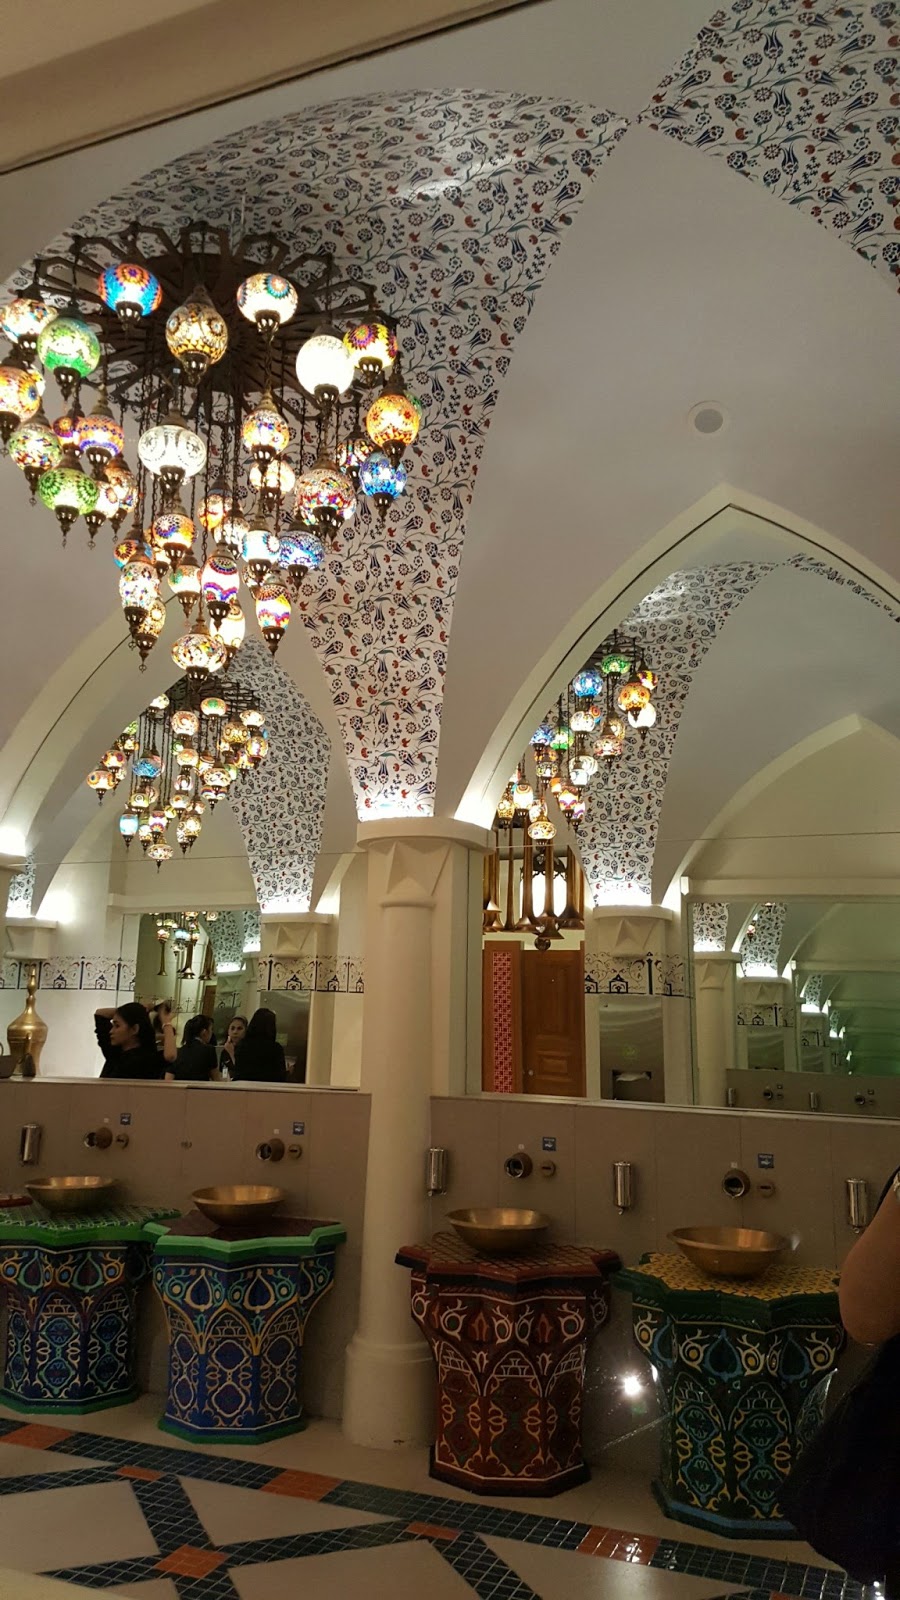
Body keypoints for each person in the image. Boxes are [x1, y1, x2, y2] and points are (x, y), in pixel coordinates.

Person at [95, 1001, 174, 1080]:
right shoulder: (114, 1051)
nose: (111, 1031)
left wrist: (166, 1022)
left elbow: (170, 1056)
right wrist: (139, 1009)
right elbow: (100, 1013)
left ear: (134, 1029)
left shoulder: (146, 1060)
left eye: (117, 1026)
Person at [230, 1007, 287, 1084]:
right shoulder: (276, 1049)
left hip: (245, 1088)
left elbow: (239, 1072)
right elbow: (281, 1077)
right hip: (268, 1088)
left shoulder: (242, 1046)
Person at [166, 1014, 218, 1083]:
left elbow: (168, 1079)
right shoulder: (209, 1050)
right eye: (211, 1029)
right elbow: (216, 1079)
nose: (212, 1033)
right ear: (204, 1032)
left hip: (180, 1089)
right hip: (200, 1089)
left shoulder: (178, 1052)